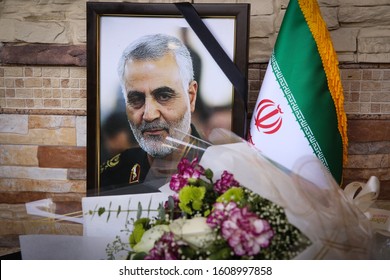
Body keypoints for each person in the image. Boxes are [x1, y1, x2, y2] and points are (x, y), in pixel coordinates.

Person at [100, 33, 202, 190]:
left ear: (191, 97)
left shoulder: (222, 173)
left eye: (164, 96)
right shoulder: (111, 176)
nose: (149, 115)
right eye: (136, 99)